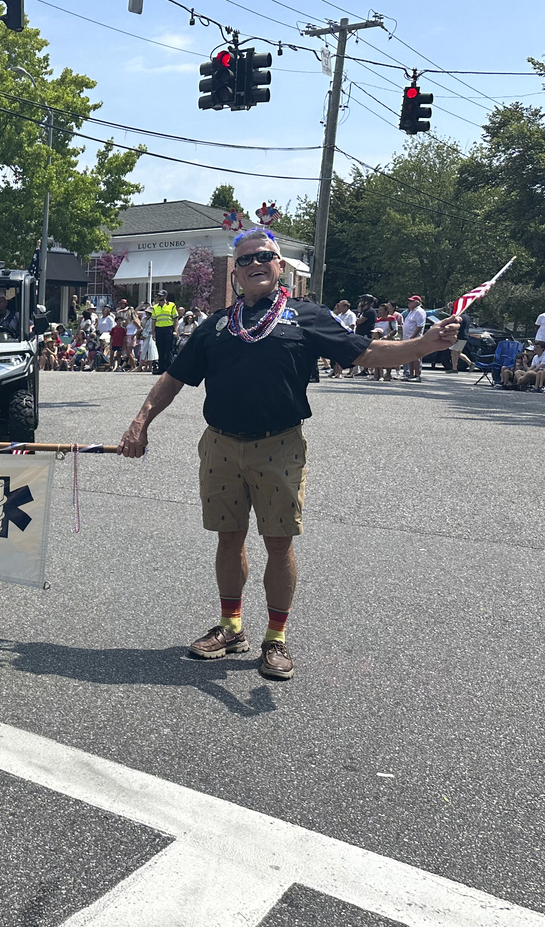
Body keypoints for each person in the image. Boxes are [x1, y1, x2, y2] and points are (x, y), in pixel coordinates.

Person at [116, 228, 459, 681]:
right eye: (245, 259)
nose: (255, 263)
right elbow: (175, 376)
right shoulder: (216, 324)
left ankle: (276, 637)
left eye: (264, 256)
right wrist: (141, 420)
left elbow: (365, 352)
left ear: (280, 266)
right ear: (236, 273)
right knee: (229, 537)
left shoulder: (308, 317)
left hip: (279, 444)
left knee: (278, 543)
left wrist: (422, 345)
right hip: (219, 444)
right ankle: (230, 626)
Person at [150, 290, 178, 375]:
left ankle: (169, 369)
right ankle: (162, 368)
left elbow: (175, 319)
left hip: (168, 329)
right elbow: (153, 321)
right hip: (159, 330)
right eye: (158, 296)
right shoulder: (155, 307)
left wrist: (175, 331)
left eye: (160, 296)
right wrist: (153, 333)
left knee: (168, 350)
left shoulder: (172, 305)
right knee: (160, 350)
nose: (158, 298)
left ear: (165, 297)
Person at [401, 295, 428, 381]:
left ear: (417, 302)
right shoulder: (411, 311)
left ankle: (417, 375)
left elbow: (420, 326)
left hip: (415, 338)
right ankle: (411, 374)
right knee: (410, 356)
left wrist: (412, 337)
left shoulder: (420, 312)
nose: (409, 303)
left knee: (415, 357)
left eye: (411, 301)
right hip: (407, 338)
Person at [349, 294, 377, 377]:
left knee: (365, 351)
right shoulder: (363, 311)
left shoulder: (370, 311)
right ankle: (363, 369)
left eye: (362, 301)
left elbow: (359, 322)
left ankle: (366, 369)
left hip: (365, 333)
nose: (361, 302)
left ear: (367, 302)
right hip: (360, 333)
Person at [328, 300, 356, 377]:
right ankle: (337, 372)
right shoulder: (340, 315)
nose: (339, 308)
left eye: (341, 306)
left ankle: (349, 372)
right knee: (338, 355)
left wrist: (343, 330)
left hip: (348, 336)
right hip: (340, 336)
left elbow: (352, 326)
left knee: (346, 355)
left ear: (346, 307)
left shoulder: (351, 315)